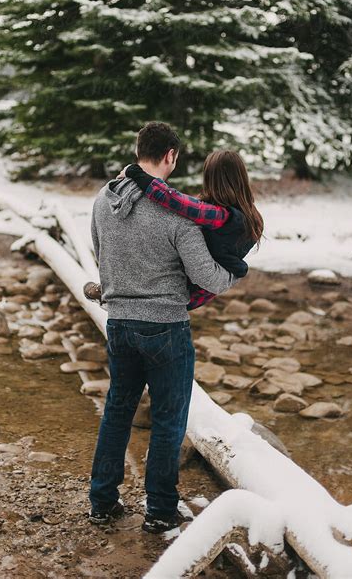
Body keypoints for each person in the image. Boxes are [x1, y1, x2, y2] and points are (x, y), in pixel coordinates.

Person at [87, 122, 237, 534]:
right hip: (166, 327)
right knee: (170, 420)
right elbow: (206, 275)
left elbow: (99, 253)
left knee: (117, 411)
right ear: (170, 155)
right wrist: (233, 276)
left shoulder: (103, 200)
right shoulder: (176, 212)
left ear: (139, 151)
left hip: (117, 321)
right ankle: (159, 511)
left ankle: (102, 501)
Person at [84, 149, 264, 311]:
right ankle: (115, 291)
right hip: (198, 288)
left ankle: (115, 293)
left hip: (189, 291)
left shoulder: (221, 217)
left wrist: (134, 172)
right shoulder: (251, 216)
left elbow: (173, 200)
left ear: (210, 178)